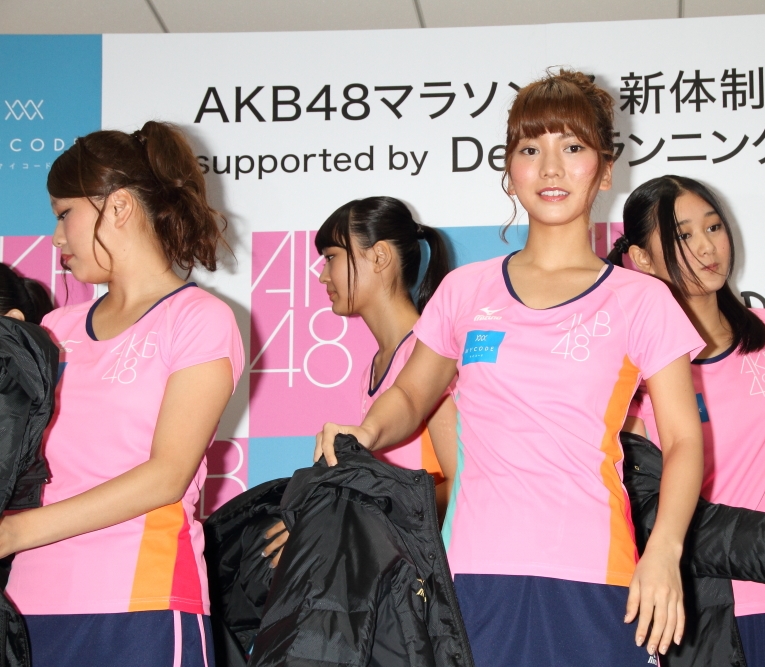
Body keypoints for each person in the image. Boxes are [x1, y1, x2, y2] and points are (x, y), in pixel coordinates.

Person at [313, 70, 706, 666]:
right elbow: (413, 395)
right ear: (509, 169)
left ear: (605, 170)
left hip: (596, 574)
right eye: (530, 149)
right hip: (477, 577)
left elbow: (682, 440)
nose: (550, 168)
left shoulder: (640, 299)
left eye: (571, 147)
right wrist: (365, 432)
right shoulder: (465, 291)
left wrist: (666, 552)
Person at [2, 121, 244, 667]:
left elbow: (166, 476)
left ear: (118, 207)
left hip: (141, 603)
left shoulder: (198, 319)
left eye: (64, 213)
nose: (57, 238)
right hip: (28, 603)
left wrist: (15, 532)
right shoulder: (54, 329)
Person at [610, 175, 765, 667]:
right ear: (642, 258)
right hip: (698, 607)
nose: (707, 247)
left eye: (714, 227)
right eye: (682, 235)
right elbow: (642, 505)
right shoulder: (630, 365)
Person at [261, 197, 457, 565]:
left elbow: (460, 483)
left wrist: (343, 522)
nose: (322, 275)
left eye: (331, 257)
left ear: (380, 256)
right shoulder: (373, 369)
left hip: (437, 577)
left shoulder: (431, 356)